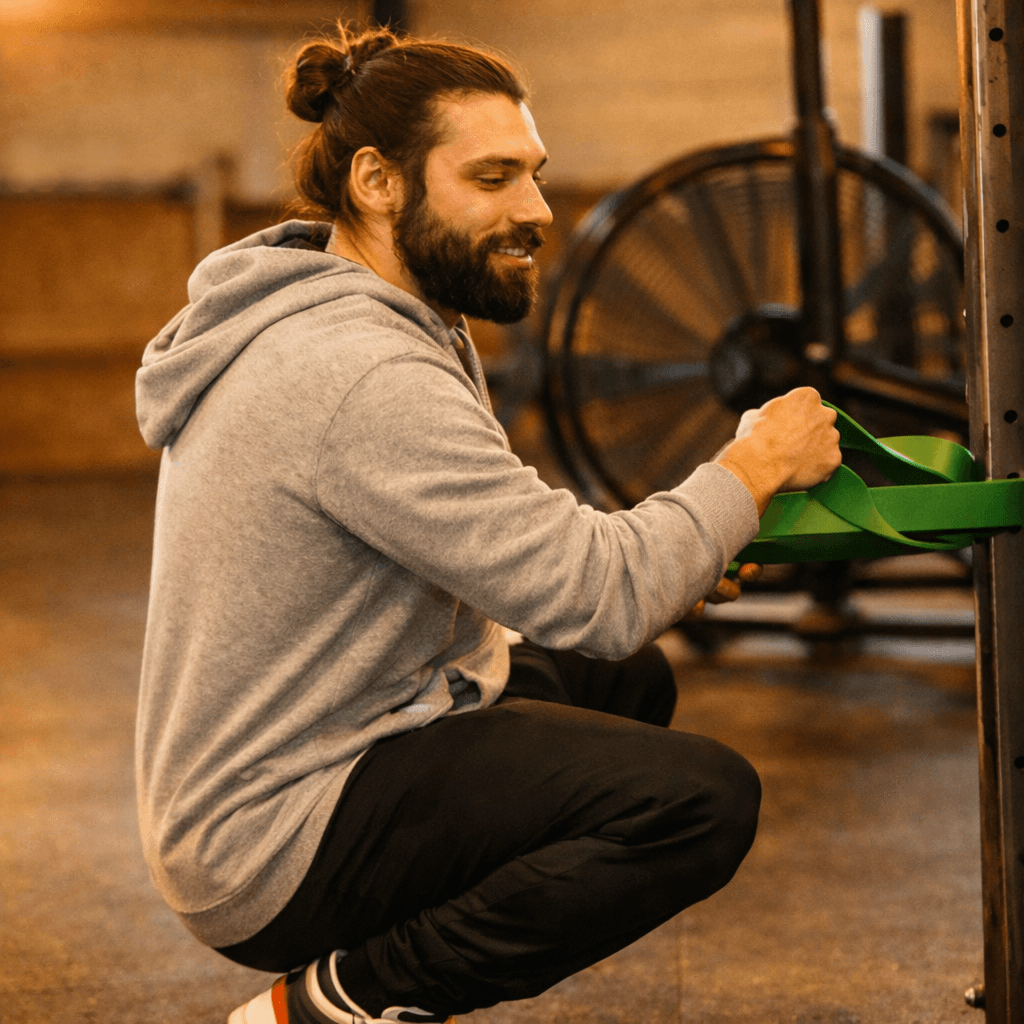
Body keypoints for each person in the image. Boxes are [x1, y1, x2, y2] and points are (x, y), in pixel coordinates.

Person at [133, 23, 842, 1024]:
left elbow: (533, 561)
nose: (538, 209)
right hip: (271, 834)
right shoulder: (359, 370)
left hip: (323, 742)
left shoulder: (375, 311)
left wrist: (702, 537)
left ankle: (392, 956)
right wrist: (750, 466)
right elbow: (599, 594)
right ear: (378, 182)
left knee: (625, 678)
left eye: (534, 174)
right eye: (496, 177)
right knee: (698, 802)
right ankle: (341, 1002)